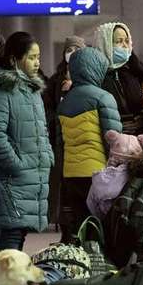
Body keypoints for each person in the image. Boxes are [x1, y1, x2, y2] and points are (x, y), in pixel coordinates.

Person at [0, 31, 53, 250]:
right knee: (11, 237)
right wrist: (16, 164)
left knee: (17, 236)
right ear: (14, 59)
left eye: (38, 57)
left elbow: (42, 131)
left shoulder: (32, 92)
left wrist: (47, 155)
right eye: (31, 57)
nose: (37, 62)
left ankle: (8, 284)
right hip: (11, 179)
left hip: (31, 175)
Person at [57, 47, 122, 243]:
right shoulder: (103, 98)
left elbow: (59, 142)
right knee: (99, 223)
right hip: (97, 172)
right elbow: (113, 139)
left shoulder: (64, 102)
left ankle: (80, 261)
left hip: (71, 173)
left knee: (79, 222)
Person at [43, 36, 86, 224]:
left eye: (77, 49)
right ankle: (59, 219)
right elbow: (48, 108)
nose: (72, 53)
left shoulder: (88, 78)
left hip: (81, 137)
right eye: (69, 49)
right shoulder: (55, 80)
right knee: (59, 179)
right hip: (59, 138)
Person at [95, 22, 143, 135]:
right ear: (106, 44)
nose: (125, 45)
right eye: (119, 41)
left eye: (127, 41)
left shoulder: (138, 73)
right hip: (111, 140)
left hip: (140, 138)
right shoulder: (97, 77)